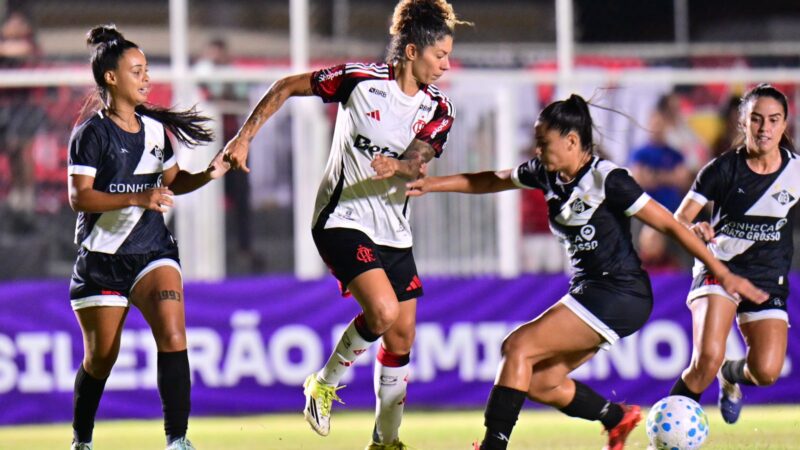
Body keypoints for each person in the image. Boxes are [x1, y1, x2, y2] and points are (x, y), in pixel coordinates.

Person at [404, 94, 767, 450]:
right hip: (590, 290)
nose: (536, 150)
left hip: (620, 292)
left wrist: (723, 272)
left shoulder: (608, 179)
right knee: (542, 382)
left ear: (572, 141)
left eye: (543, 143)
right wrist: (433, 184)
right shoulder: (545, 174)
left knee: (517, 347)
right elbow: (493, 179)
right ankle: (615, 417)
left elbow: (670, 226)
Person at [222, 1, 468, 448]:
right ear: (412, 51)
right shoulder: (359, 80)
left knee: (402, 335)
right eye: (440, 56)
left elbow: (420, 160)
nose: (446, 65)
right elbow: (285, 86)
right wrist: (244, 136)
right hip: (341, 217)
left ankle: (385, 441)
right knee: (384, 312)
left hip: (393, 227)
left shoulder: (439, 108)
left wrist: (399, 166)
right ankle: (323, 383)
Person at [68, 25, 227, 450]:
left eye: (147, 69)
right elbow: (79, 198)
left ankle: (177, 439)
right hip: (102, 260)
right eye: (136, 70)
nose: (146, 78)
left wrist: (211, 172)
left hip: (153, 251)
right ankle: (81, 440)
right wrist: (141, 195)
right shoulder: (91, 135)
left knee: (174, 335)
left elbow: (173, 182)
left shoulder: (157, 131)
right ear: (111, 78)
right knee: (101, 358)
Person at [667, 84, 798, 425]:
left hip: (767, 276)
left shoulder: (796, 172)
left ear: (785, 124)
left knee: (766, 372)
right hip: (719, 266)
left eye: (773, 120)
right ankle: (666, 438)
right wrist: (694, 228)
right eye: (756, 119)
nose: (764, 128)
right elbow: (679, 219)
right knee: (707, 357)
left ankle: (731, 375)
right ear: (742, 122)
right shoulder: (722, 169)